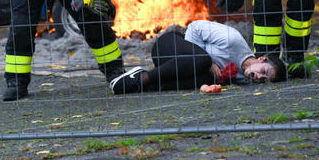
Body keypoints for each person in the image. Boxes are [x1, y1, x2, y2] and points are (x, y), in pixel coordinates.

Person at [110, 20, 287, 94]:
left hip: (173, 70)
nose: (259, 77)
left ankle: (149, 86)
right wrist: (205, 60)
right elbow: (194, 27)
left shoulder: (245, 78)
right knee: (204, 62)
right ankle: (141, 77)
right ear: (262, 59)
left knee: (208, 78)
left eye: (264, 80)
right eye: (264, 71)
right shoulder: (232, 39)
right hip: (169, 46)